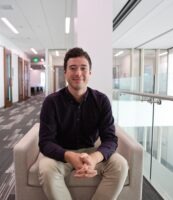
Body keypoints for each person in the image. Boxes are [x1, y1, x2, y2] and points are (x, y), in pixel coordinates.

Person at [38, 47, 128, 200]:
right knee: (46, 169)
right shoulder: (51, 102)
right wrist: (68, 156)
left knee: (120, 165)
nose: (78, 73)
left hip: (90, 151)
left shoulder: (101, 100)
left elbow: (110, 139)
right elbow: (46, 142)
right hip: (61, 153)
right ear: (65, 72)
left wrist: (94, 158)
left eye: (83, 68)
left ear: (90, 73)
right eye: (72, 68)